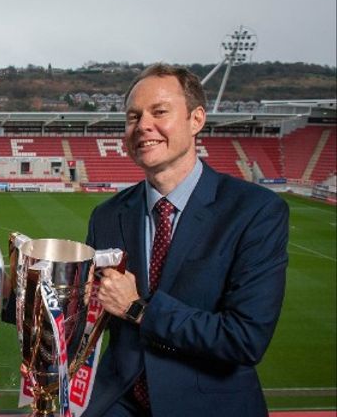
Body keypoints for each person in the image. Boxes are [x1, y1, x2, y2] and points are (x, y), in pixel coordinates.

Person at [83, 63, 289, 416]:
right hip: (118, 405)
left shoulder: (256, 211)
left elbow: (244, 338)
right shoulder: (107, 215)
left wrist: (138, 310)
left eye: (159, 112)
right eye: (133, 117)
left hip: (209, 407)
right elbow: (85, 309)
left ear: (196, 120)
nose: (143, 125)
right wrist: (12, 293)